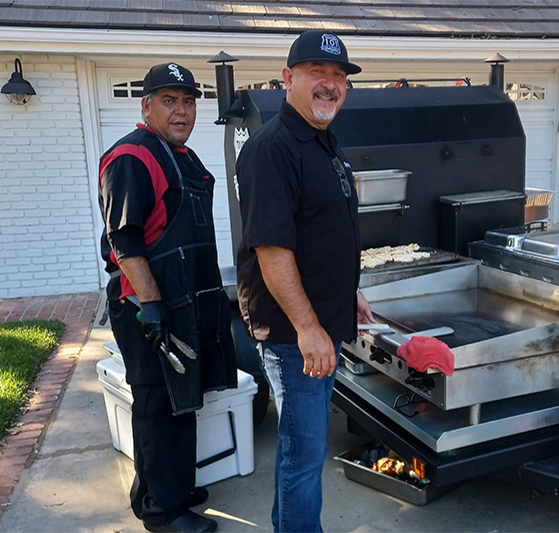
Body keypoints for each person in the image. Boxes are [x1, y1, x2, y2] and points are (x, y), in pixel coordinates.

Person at [235, 30, 374, 532]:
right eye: (319, 72)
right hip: (296, 337)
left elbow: (322, 233)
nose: (330, 84)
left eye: (339, 76)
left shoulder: (322, 142)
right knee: (304, 456)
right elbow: (273, 250)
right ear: (288, 78)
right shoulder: (273, 148)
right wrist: (309, 328)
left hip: (318, 323)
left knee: (302, 452)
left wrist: (347, 291)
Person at [98, 62, 237, 533]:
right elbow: (125, 240)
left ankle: (165, 488)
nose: (182, 111)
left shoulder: (184, 157)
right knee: (157, 402)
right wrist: (153, 306)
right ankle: (163, 513)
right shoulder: (133, 157)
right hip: (149, 305)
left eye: (189, 101)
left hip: (185, 298)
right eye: (169, 100)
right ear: (146, 105)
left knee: (182, 398)